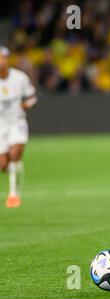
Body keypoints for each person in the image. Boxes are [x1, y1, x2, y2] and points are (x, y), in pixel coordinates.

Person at [0, 46, 37, 208]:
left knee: (15, 155)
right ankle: (15, 171)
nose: (2, 62)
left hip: (17, 122)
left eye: (4, 58)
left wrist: (25, 105)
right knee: (3, 165)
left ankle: (13, 194)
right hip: (0, 125)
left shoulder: (19, 78)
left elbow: (32, 97)